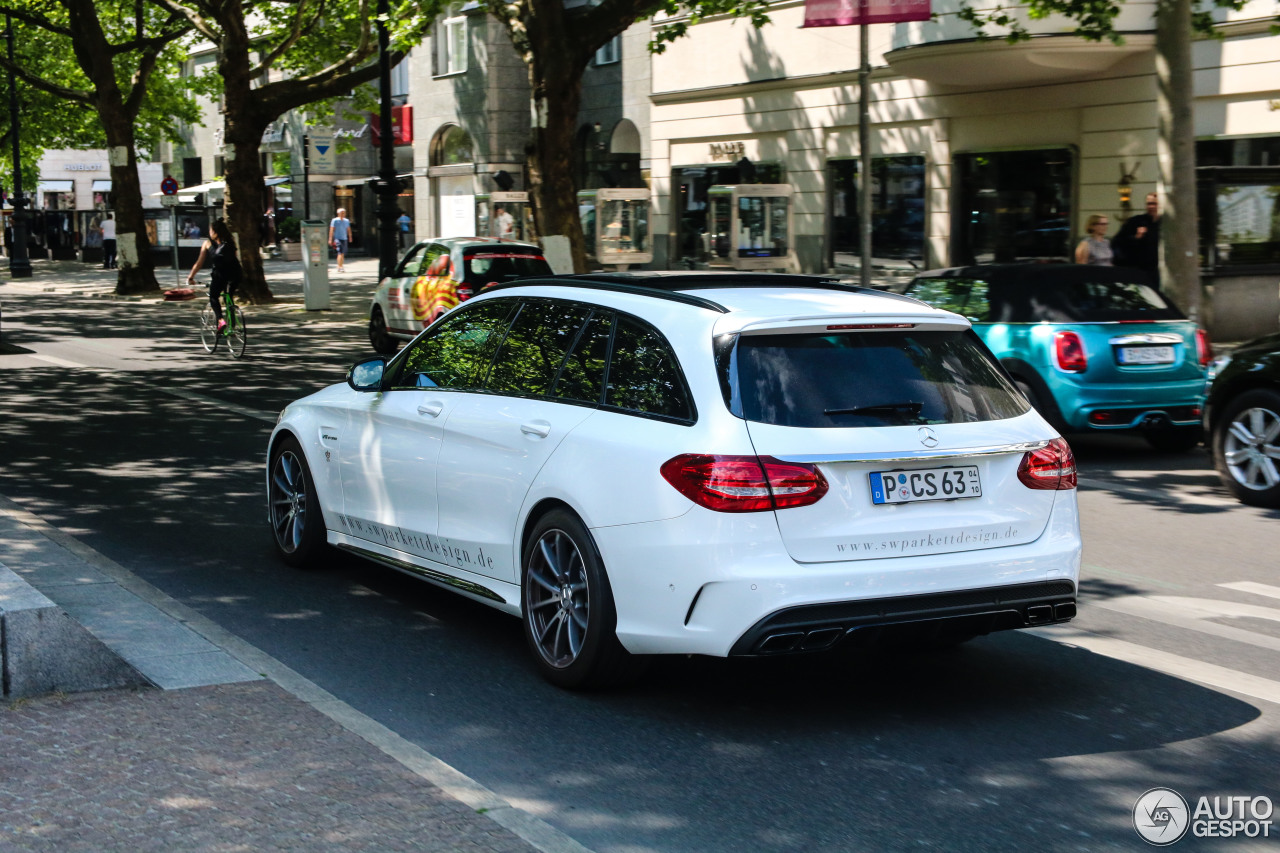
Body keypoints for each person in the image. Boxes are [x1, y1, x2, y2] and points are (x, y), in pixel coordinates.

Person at [191, 220, 242, 332]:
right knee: (229, 296)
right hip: (236, 273)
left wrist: (191, 277)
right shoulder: (231, 241)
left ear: (215, 232)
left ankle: (220, 320)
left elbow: (199, 263)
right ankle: (232, 326)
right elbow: (235, 258)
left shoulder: (207, 243)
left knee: (214, 296)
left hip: (220, 275)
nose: (209, 232)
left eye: (210, 230)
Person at [1113, 192, 1160, 281]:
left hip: (1157, 272)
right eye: (1149, 204)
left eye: (1154, 204)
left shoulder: (1165, 224)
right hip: (1137, 270)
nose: (1151, 207)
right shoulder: (1135, 221)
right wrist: (1136, 237)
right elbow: (1117, 242)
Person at [328, 207, 352, 272]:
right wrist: (330, 239)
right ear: (338, 213)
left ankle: (341, 265)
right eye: (341, 213)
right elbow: (331, 230)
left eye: (344, 213)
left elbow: (348, 229)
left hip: (344, 238)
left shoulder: (346, 221)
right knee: (340, 252)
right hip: (338, 238)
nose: (343, 214)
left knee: (342, 253)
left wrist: (350, 237)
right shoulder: (334, 220)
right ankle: (340, 266)